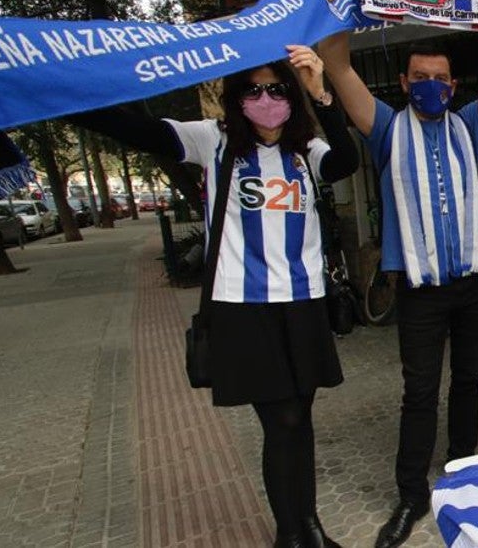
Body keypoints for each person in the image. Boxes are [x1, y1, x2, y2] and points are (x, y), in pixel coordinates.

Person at [72, 45, 359, 548]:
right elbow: (135, 130)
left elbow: (347, 160)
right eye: (253, 89)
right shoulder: (214, 141)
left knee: (302, 418)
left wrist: (321, 94)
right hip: (242, 307)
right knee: (282, 419)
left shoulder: (305, 151)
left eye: (276, 88)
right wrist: (64, 93)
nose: (266, 98)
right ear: (236, 97)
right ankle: (291, 534)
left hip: (303, 300)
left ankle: (310, 526)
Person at [322, 0, 478, 548]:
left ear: (453, 82)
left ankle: (459, 476)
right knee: (419, 392)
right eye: (419, 78)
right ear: (405, 81)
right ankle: (412, 496)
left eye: (439, 78)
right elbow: (337, 66)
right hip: (416, 290)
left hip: (473, 285)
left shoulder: (470, 121)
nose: (429, 86)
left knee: (469, 383)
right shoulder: (385, 127)